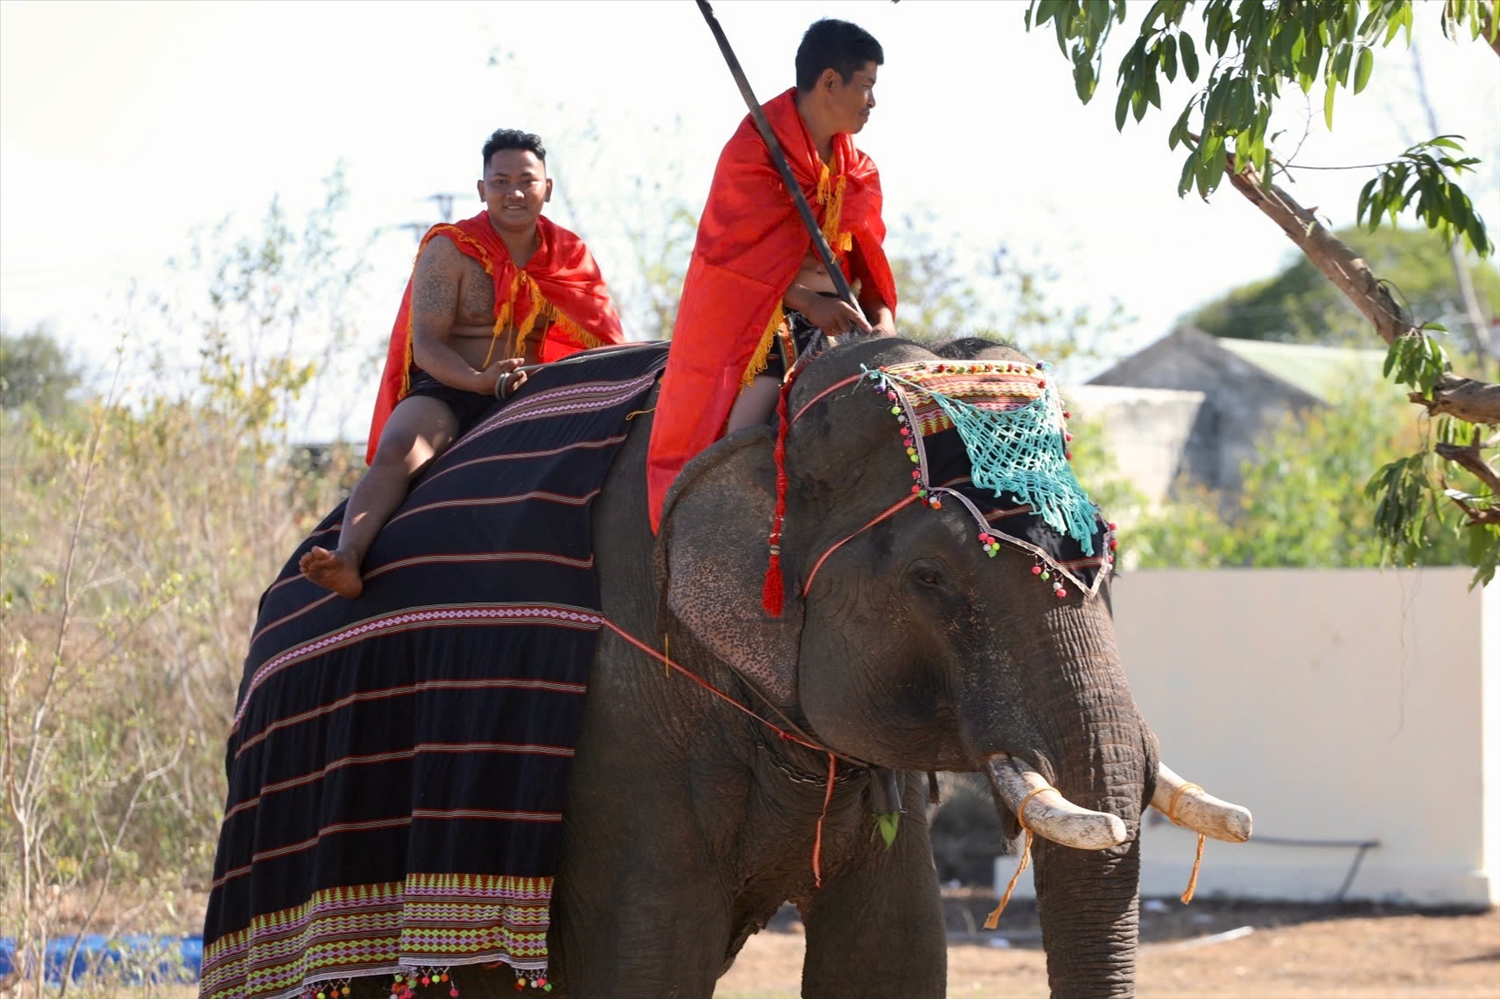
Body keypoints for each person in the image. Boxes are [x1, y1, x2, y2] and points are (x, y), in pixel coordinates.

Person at [300, 128, 625, 598]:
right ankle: (348, 557)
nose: (514, 192)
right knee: (399, 450)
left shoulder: (570, 255)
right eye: (500, 181)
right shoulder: (449, 248)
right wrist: (477, 381)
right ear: (482, 189)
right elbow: (427, 344)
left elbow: (605, 343)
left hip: (530, 393)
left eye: (526, 180)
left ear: (547, 189)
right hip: (451, 391)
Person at [645, 18, 897, 531]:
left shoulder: (859, 168)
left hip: (847, 324)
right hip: (767, 317)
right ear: (830, 82)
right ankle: (728, 516)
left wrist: (885, 323)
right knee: (757, 409)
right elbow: (728, 263)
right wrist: (810, 304)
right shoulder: (754, 152)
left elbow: (870, 268)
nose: (873, 102)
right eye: (866, 86)